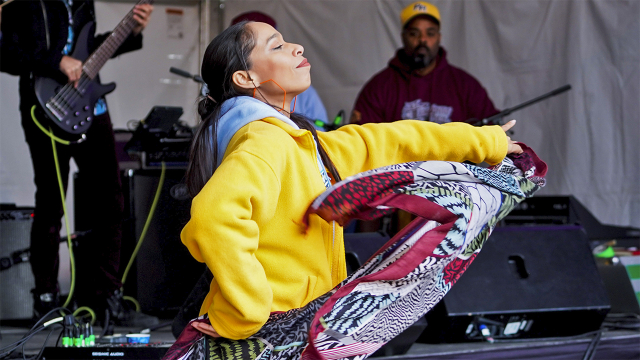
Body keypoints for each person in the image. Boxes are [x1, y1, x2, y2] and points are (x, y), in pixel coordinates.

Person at [177, 20, 522, 344]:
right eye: (278, 46)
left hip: (294, 327)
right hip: (266, 333)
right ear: (246, 77)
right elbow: (214, 220)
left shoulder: (302, 143)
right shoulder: (264, 141)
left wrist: (484, 142)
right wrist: (247, 310)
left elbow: (392, 139)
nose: (296, 48)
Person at [0, 0, 157, 326]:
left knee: (111, 201)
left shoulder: (84, 2)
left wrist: (132, 31)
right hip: (45, 104)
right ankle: (46, 300)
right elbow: (7, 54)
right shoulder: (20, 5)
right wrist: (56, 61)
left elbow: (90, 48)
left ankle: (108, 297)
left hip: (90, 104)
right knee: (51, 202)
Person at [350, 1, 499, 125]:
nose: (422, 39)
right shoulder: (379, 87)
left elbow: (494, 130)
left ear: (439, 37)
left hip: (453, 162)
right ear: (403, 37)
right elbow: (362, 140)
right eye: (414, 33)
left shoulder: (465, 85)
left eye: (430, 33)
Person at [231, 11, 330, 130]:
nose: (299, 47)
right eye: (277, 46)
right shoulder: (255, 136)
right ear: (245, 78)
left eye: (283, 41)